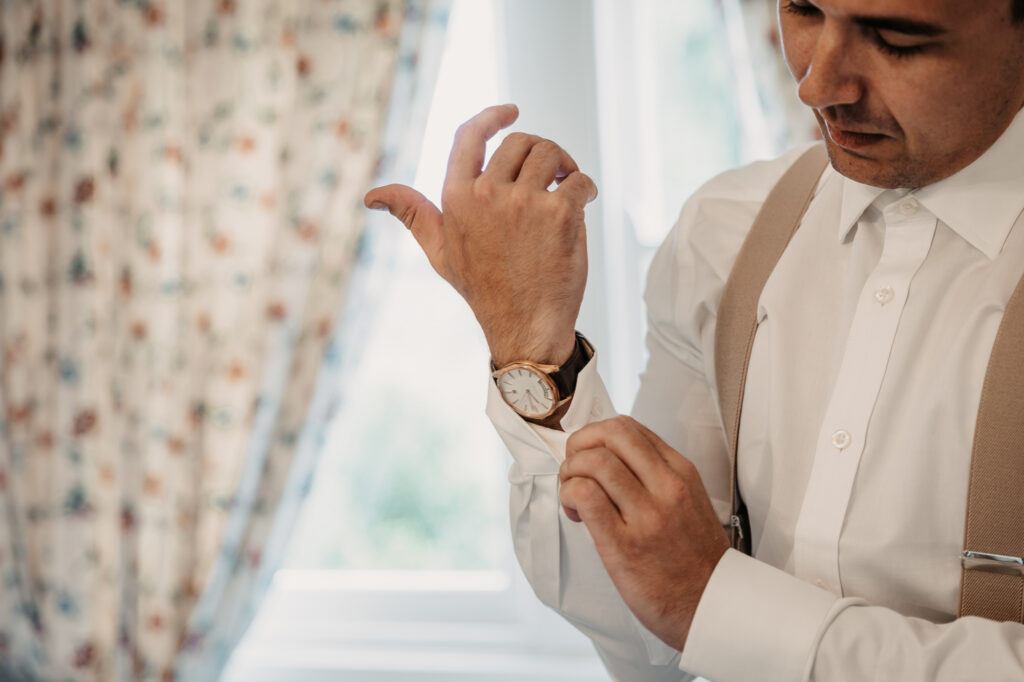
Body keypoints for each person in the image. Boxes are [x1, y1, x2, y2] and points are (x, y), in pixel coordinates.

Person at [365, 0, 1024, 678]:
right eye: (801, 8)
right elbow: (652, 638)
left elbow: (693, 605)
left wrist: (718, 602)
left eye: (895, 39)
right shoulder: (728, 232)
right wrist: (532, 348)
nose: (816, 85)